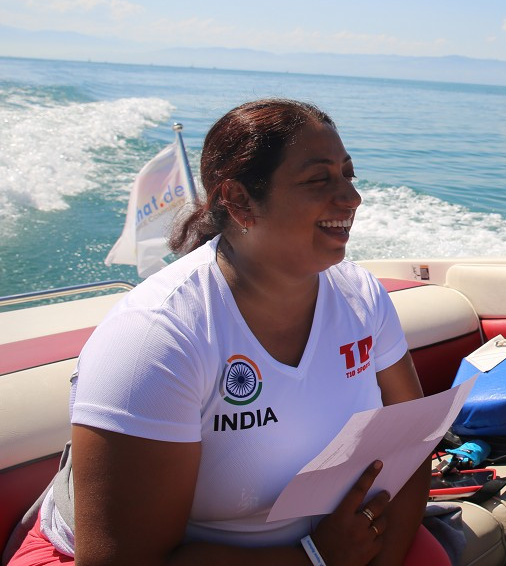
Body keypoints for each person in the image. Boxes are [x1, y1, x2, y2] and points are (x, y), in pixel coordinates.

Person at [9, 99, 449, 566]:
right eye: (320, 179)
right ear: (238, 200)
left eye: (348, 174)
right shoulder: (157, 339)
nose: (351, 197)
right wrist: (314, 558)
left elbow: (412, 442)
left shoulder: (361, 296)